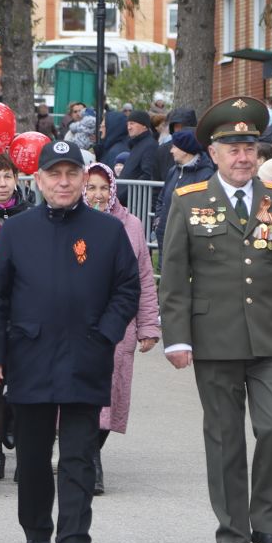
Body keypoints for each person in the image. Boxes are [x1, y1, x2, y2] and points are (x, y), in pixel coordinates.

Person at [159, 97, 272, 543]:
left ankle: (269, 526)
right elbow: (173, 273)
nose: (243, 156)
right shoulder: (189, 201)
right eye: (232, 147)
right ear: (213, 153)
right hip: (213, 338)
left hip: (270, 338)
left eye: (250, 146)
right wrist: (177, 336)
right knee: (225, 436)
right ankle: (232, 531)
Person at [0, 140, 140, 543]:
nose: (63, 182)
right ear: (39, 180)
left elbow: (128, 289)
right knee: (31, 457)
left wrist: (104, 335)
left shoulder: (107, 231)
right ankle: (35, 537)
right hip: (29, 357)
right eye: (54, 174)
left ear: (84, 180)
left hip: (85, 358)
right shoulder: (16, 230)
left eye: (72, 174)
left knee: (77, 457)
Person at [82, 163, 160, 494]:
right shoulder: (72, 222)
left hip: (119, 325)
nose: (98, 194)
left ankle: (91, 454)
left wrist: (148, 325)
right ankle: (89, 462)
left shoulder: (131, 225)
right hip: (79, 323)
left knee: (111, 396)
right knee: (81, 393)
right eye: (91, 188)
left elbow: (143, 276)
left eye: (103, 187)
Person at [154, 127, 216, 244]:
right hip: (165, 236)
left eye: (174, 147)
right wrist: (158, 221)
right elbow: (161, 199)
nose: (171, 151)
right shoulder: (173, 170)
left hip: (187, 240)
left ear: (184, 150)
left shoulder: (205, 176)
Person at [114, 109, 163, 181]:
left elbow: (148, 175)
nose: (129, 127)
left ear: (144, 126)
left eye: (132, 123)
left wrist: (129, 190)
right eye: (128, 124)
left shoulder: (150, 146)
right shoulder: (137, 144)